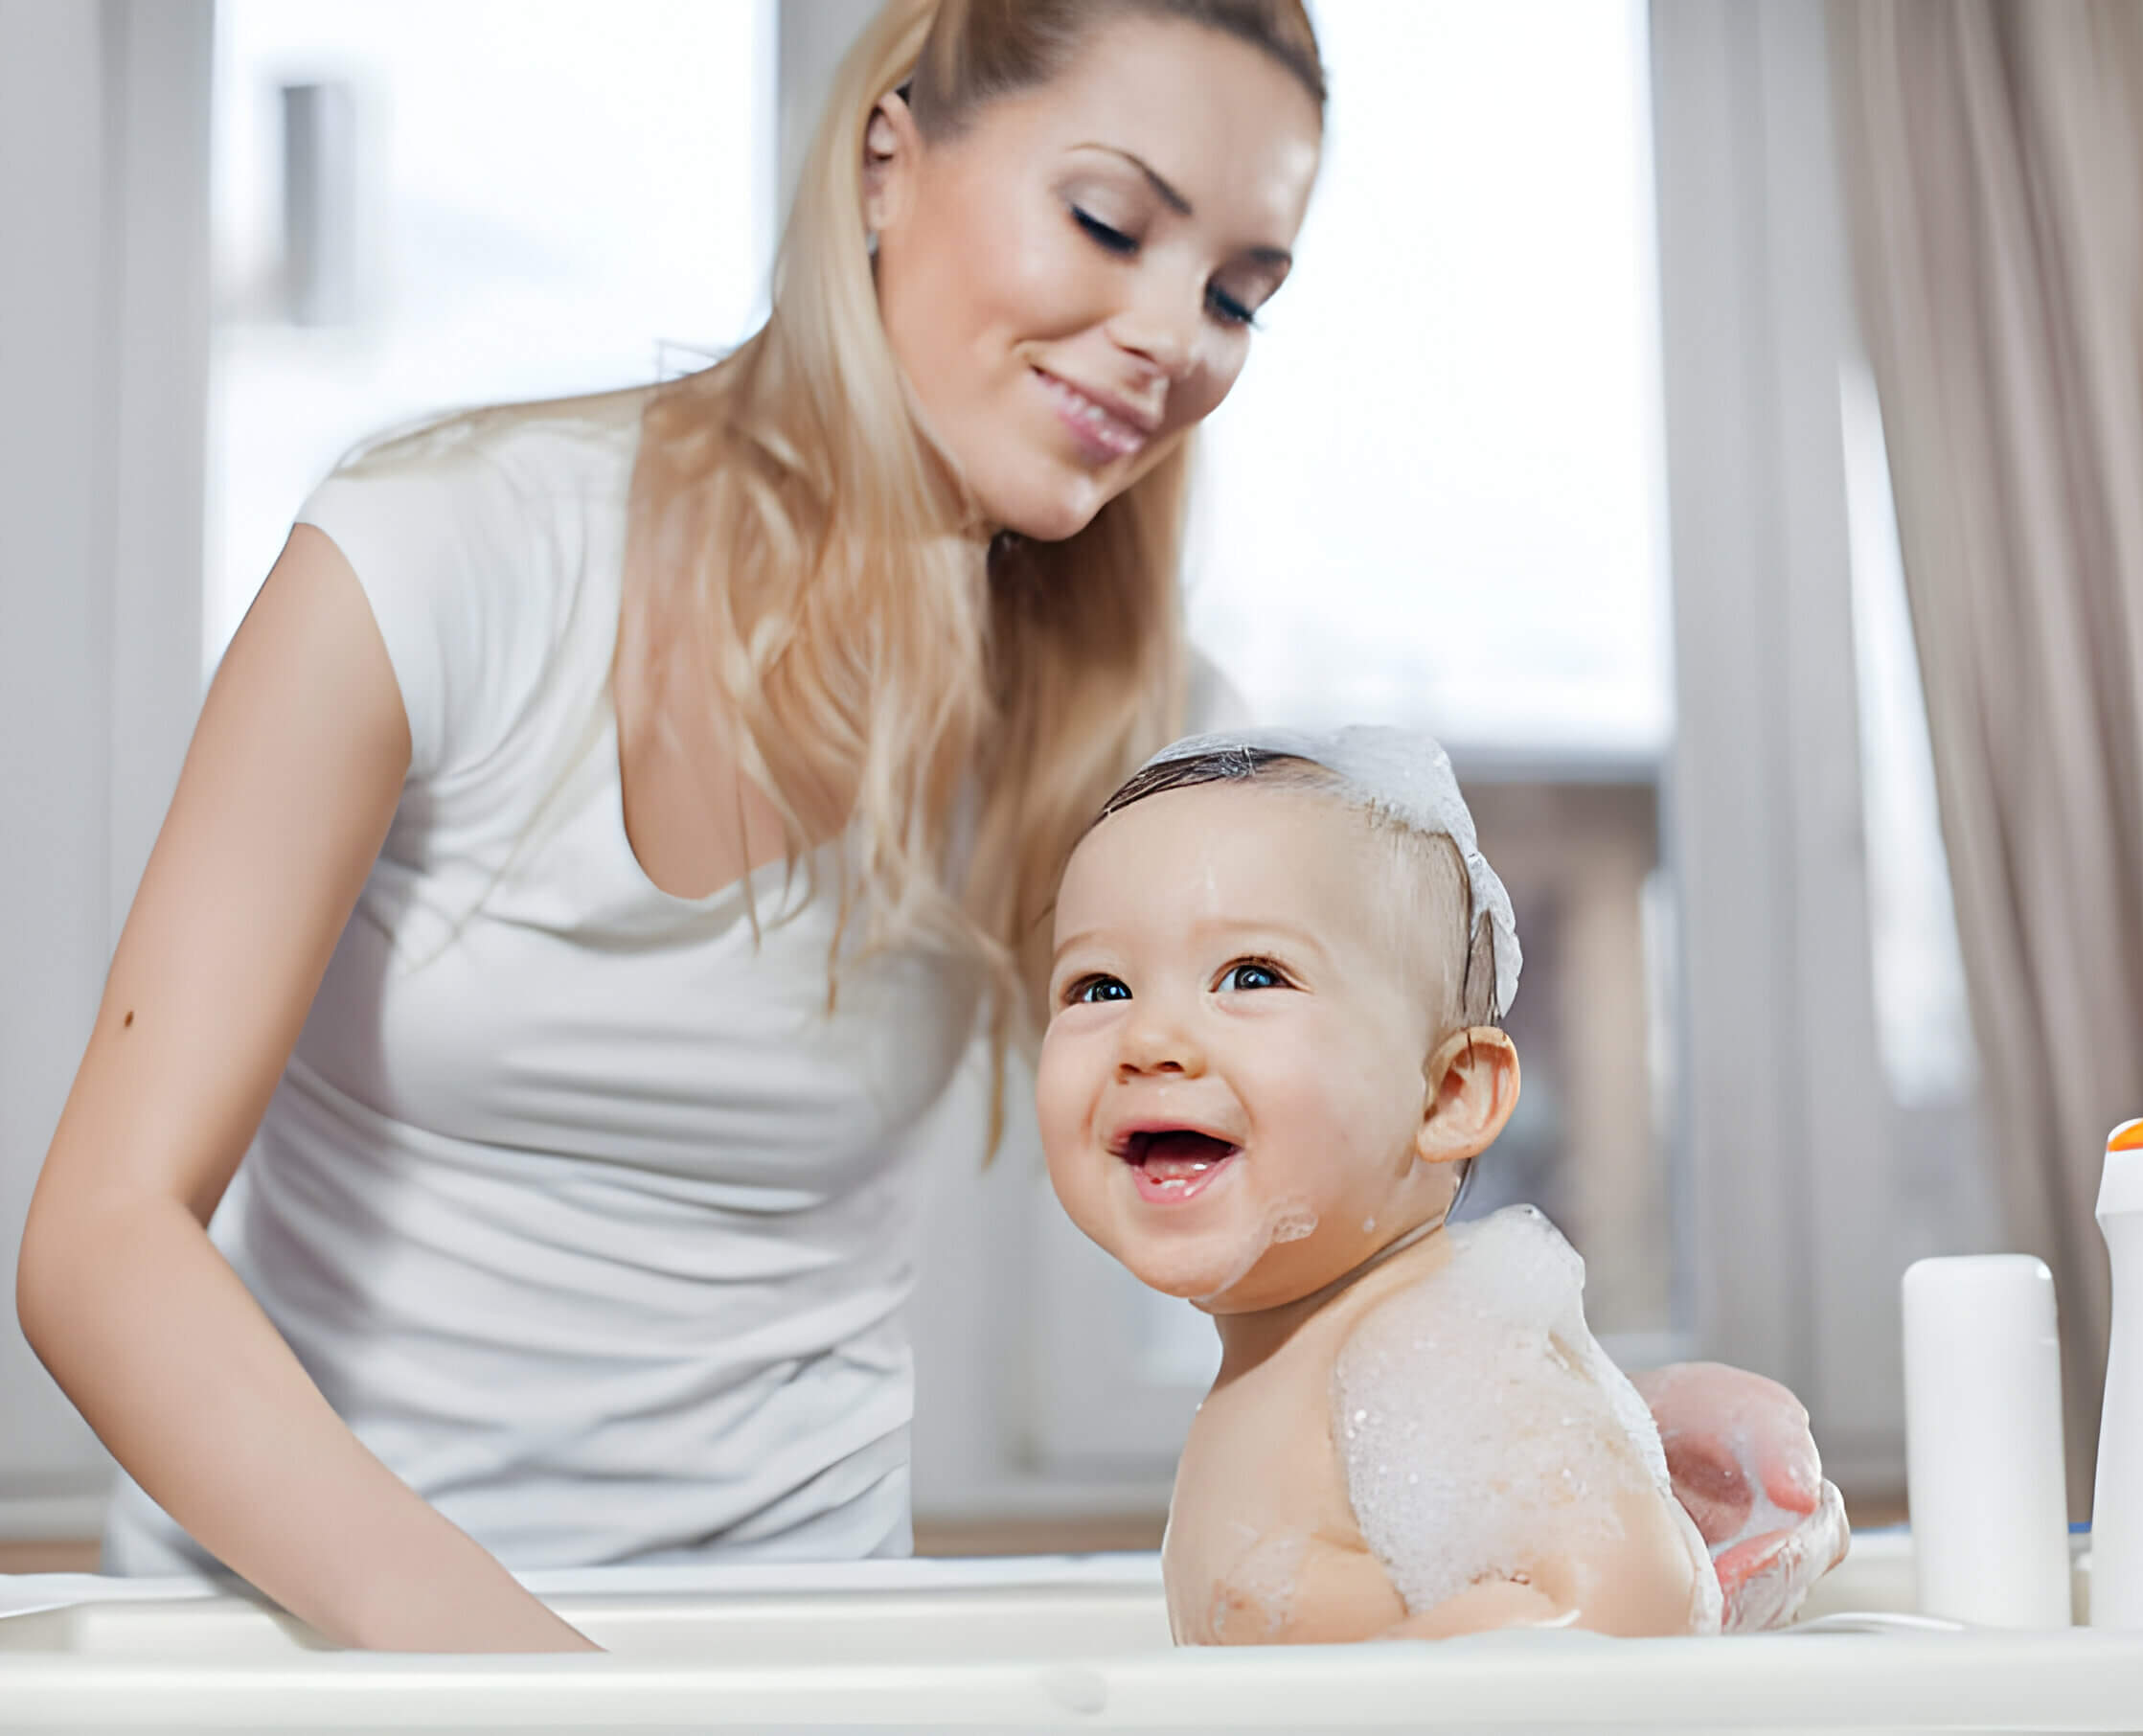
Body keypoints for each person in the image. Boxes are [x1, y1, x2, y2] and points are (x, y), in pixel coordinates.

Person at [14, 0, 1831, 1656]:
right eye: (1114, 223)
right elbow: (101, 1243)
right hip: (304, 1638)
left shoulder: (1117, 713)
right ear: (888, 160)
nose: (1166, 339)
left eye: (1236, 292)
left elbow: (1313, 1163)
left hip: (794, 1631)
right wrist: (519, 1680)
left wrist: (1543, 1411)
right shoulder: (437, 555)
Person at [1037, 729, 1849, 1641]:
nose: (1149, 1041)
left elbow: (1633, 1605)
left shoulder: (1433, 1356)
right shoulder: (1348, 1369)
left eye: (1251, 975)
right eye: (1100, 988)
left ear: (1451, 1094)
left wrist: (1366, 1698)